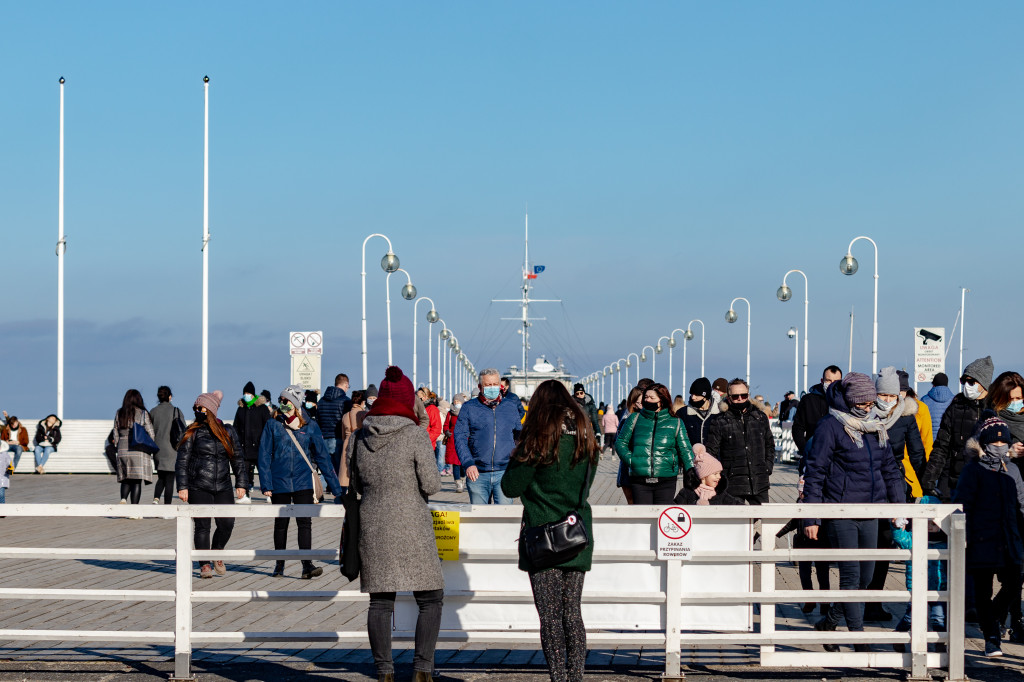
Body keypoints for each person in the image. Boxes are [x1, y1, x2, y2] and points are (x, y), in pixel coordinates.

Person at [501, 379, 599, 682]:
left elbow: (510, 486)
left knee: (550, 617)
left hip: (543, 534)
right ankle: (576, 677)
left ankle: (559, 677)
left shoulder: (538, 440)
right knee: (572, 612)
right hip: (577, 531)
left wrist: (518, 454)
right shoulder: (586, 437)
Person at [349, 366, 443, 682]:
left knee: (380, 601)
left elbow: (357, 483)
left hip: (373, 521)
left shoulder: (362, 436)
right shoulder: (415, 435)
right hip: (412, 523)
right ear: (407, 401)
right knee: (430, 598)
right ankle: (422, 671)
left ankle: (384, 673)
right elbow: (431, 485)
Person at [802, 373, 906, 650]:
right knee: (850, 576)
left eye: (871, 400)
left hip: (872, 510)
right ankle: (857, 638)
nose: (867, 405)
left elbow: (890, 471)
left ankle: (828, 623)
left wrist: (901, 510)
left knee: (866, 578)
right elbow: (815, 474)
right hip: (841, 511)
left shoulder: (876, 426)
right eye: (861, 401)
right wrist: (810, 518)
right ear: (848, 400)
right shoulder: (830, 426)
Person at [953, 417, 1024, 657]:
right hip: (981, 539)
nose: (1000, 445)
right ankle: (991, 638)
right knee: (982, 592)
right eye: (994, 441)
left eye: (1004, 441)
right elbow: (961, 504)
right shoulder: (973, 469)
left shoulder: (1012, 469)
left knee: (1014, 583)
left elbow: (1022, 503)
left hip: (1009, 539)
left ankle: (993, 618)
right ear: (985, 442)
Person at [257, 384, 343, 579]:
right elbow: (264, 455)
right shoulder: (273, 424)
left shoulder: (310, 426)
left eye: (286, 400)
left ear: (295, 403)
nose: (282, 404)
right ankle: (279, 564)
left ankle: (307, 565)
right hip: (279, 481)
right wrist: (266, 484)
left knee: (304, 523)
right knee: (281, 524)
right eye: (280, 400)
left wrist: (337, 489)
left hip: (303, 481)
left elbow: (323, 458)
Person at [864, 367, 925, 622]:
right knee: (866, 542)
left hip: (894, 484)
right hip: (866, 482)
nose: (887, 399)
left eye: (892, 394)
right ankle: (859, 599)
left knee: (886, 542)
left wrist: (927, 488)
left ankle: (874, 600)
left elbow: (918, 454)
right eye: (883, 394)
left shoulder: (907, 417)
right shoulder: (864, 415)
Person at [175, 391, 248, 578]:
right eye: (196, 408)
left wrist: (241, 483)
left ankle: (217, 551)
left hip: (223, 485)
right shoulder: (192, 431)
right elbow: (182, 461)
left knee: (227, 523)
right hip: (199, 485)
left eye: (200, 408)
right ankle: (204, 564)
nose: (197, 411)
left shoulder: (228, 431)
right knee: (202, 526)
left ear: (211, 410)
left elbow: (238, 458)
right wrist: (182, 487)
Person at [922, 356, 994, 501]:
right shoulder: (955, 407)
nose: (967, 385)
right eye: (964, 381)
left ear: (984, 383)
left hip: (985, 479)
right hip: (954, 480)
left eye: (972, 381)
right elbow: (941, 447)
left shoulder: (994, 409)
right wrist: (929, 478)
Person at [615, 382, 694, 504]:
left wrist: (690, 470)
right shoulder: (634, 418)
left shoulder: (676, 422)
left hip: (666, 479)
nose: (647, 400)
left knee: (663, 517)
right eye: (646, 397)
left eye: (652, 398)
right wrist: (632, 460)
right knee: (643, 519)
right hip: (640, 479)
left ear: (662, 400)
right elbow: (620, 442)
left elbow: (685, 449)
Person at [452, 368, 523, 505]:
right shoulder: (469, 408)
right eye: (488, 385)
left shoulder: (510, 406)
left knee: (504, 518)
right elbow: (460, 436)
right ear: (480, 387)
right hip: (477, 473)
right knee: (480, 520)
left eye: (495, 384)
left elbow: (518, 435)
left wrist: (517, 462)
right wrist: (468, 463)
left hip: (504, 472)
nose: (492, 388)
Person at [704, 379, 776, 505]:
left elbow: (769, 445)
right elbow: (711, 452)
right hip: (732, 483)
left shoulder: (759, 417)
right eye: (735, 396)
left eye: (743, 395)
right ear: (729, 397)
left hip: (759, 481)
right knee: (734, 523)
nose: (740, 399)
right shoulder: (720, 421)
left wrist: (767, 467)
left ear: (748, 395)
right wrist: (719, 475)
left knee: (762, 521)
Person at [792, 366, 843, 475]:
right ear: (822, 381)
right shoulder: (808, 400)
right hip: (813, 455)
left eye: (836, 381)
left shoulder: (846, 401)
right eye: (828, 380)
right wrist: (805, 450)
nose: (832, 384)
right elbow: (798, 428)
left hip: (839, 458)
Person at [112, 389, 156, 512]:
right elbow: (151, 433)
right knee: (136, 481)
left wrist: (118, 445)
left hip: (123, 448)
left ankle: (123, 499)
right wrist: (149, 445)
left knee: (126, 478)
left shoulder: (119, 413)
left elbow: (115, 432)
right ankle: (134, 510)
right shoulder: (142, 413)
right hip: (138, 448)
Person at [233, 381, 271, 504]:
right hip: (244, 447)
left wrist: (266, 442)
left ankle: (270, 493)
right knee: (243, 471)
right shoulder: (241, 409)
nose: (246, 395)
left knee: (264, 471)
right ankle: (245, 495)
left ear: (253, 394)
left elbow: (268, 426)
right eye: (245, 393)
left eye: (248, 393)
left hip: (260, 447)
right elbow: (236, 427)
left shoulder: (262, 408)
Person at [674, 444, 743, 506]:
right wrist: (695, 505)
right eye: (715, 474)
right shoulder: (687, 493)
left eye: (719, 473)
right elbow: (675, 510)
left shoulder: (720, 494)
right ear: (703, 477)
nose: (719, 477)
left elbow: (738, 506)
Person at [150, 386, 184, 504]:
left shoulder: (153, 411)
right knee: (169, 480)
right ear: (170, 397)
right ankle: (167, 508)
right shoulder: (176, 411)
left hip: (157, 449)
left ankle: (156, 498)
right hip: (172, 449)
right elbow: (183, 430)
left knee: (161, 477)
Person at [317, 373, 351, 474]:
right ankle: (340, 490)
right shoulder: (346, 401)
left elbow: (318, 420)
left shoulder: (321, 401)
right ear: (346, 385)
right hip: (339, 438)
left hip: (324, 438)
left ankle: (331, 487)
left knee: (329, 471)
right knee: (341, 470)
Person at [337, 390, 367, 493]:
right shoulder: (363, 414)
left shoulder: (345, 415)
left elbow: (342, 435)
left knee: (346, 474)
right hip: (359, 442)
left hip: (347, 442)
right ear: (363, 402)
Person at [679, 378, 720, 447]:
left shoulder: (719, 414)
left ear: (705, 396)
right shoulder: (683, 413)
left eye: (696, 395)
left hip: (713, 457)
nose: (693, 397)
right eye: (692, 394)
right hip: (691, 456)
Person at [921, 372, 955, 441]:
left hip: (929, 442)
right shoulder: (954, 400)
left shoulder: (924, 400)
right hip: (948, 442)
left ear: (933, 384)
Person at [444, 392, 467, 492]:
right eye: (455, 401)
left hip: (464, 439)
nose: (456, 402)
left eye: (458, 401)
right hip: (452, 440)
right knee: (455, 463)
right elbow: (445, 425)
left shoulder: (466, 412)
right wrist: (447, 431)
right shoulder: (450, 413)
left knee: (463, 463)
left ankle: (462, 478)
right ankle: (458, 483)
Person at [418, 387, 444, 474]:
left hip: (427, 445)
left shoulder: (432, 409)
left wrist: (426, 439)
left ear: (425, 397)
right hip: (415, 444)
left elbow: (437, 429)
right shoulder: (418, 409)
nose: (417, 400)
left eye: (419, 397)